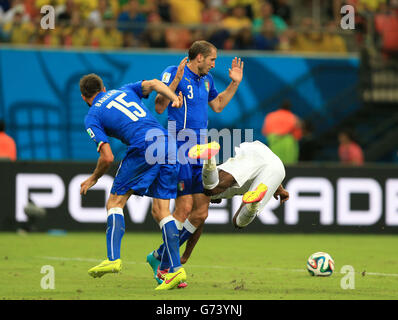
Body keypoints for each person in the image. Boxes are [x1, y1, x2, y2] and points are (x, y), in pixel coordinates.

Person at [146, 40, 244, 285]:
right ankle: (166, 268)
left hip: (201, 153)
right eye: (212, 59)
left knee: (200, 213)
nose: (214, 64)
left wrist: (234, 83)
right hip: (177, 149)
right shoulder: (173, 71)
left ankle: (159, 255)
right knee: (184, 207)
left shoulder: (207, 80)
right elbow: (159, 107)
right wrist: (176, 79)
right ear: (199, 57)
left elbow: (218, 105)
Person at [79, 73, 186, 290]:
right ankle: (176, 270)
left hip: (143, 146)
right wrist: (173, 97)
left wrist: (93, 178)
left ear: (84, 97)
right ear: (104, 87)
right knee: (161, 212)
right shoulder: (125, 89)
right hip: (167, 144)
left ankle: (113, 258)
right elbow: (156, 83)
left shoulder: (92, 116)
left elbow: (107, 157)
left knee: (115, 203)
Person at [189, 140, 289, 230]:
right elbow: (268, 166)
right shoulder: (218, 179)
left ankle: (209, 158)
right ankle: (209, 158)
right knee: (237, 221)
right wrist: (279, 188)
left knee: (211, 191)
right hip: (267, 157)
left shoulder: (207, 192)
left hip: (269, 164)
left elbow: (209, 192)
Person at [262, 100, 302, 164]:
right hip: (288, 144)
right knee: (289, 167)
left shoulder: (270, 116)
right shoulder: (293, 117)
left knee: (274, 164)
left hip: (273, 142)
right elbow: (298, 135)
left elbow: (265, 132)